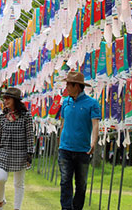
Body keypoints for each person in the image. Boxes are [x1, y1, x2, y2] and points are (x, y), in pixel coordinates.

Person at [58, 71, 100, 210]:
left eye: (69, 85)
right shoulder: (65, 102)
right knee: (65, 181)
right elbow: (63, 123)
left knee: (81, 184)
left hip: (83, 150)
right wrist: (60, 142)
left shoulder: (92, 103)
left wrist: (93, 142)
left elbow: (95, 125)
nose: (66, 87)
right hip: (65, 149)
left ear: (77, 86)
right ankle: (66, 208)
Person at [0, 87, 34, 210]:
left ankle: (17, 208)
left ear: (15, 100)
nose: (5, 101)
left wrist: (29, 153)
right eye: (4, 98)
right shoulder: (1, 117)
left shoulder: (26, 116)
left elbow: (29, 135)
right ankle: (1, 201)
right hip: (4, 152)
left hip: (20, 152)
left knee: (19, 183)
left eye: (8, 98)